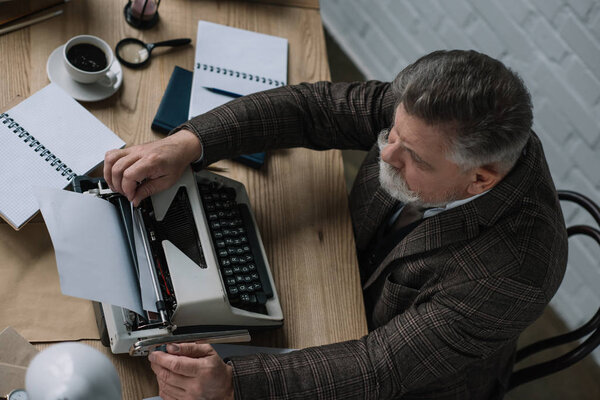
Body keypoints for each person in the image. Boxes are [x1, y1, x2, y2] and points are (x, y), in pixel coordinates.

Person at [104, 50, 568, 399]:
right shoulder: (433, 116)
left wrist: (233, 383)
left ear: (479, 179)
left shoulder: (515, 270)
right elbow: (315, 108)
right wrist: (189, 143)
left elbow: (381, 366)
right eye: (393, 133)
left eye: (413, 158)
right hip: (341, 276)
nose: (385, 153)